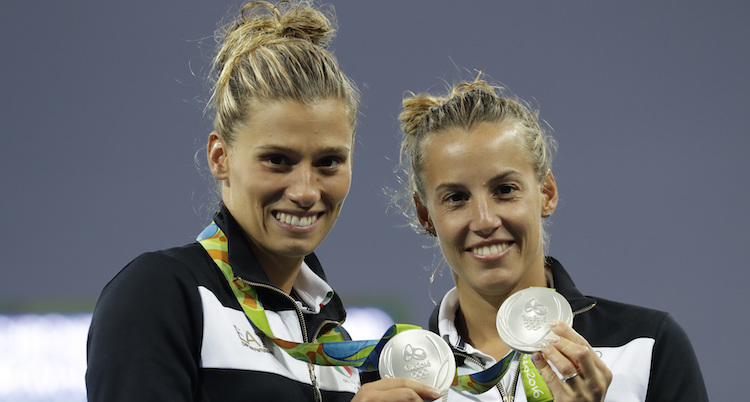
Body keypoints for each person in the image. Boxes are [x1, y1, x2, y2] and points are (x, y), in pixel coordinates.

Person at [86, 2, 441, 401]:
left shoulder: (332, 338)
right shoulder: (159, 293)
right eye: (277, 160)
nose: (306, 191)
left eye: (328, 162)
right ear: (220, 157)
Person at [395, 76, 709, 401]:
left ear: (546, 193)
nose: (485, 220)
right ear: (425, 216)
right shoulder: (398, 379)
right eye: (456, 198)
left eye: (505, 190)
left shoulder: (645, 347)